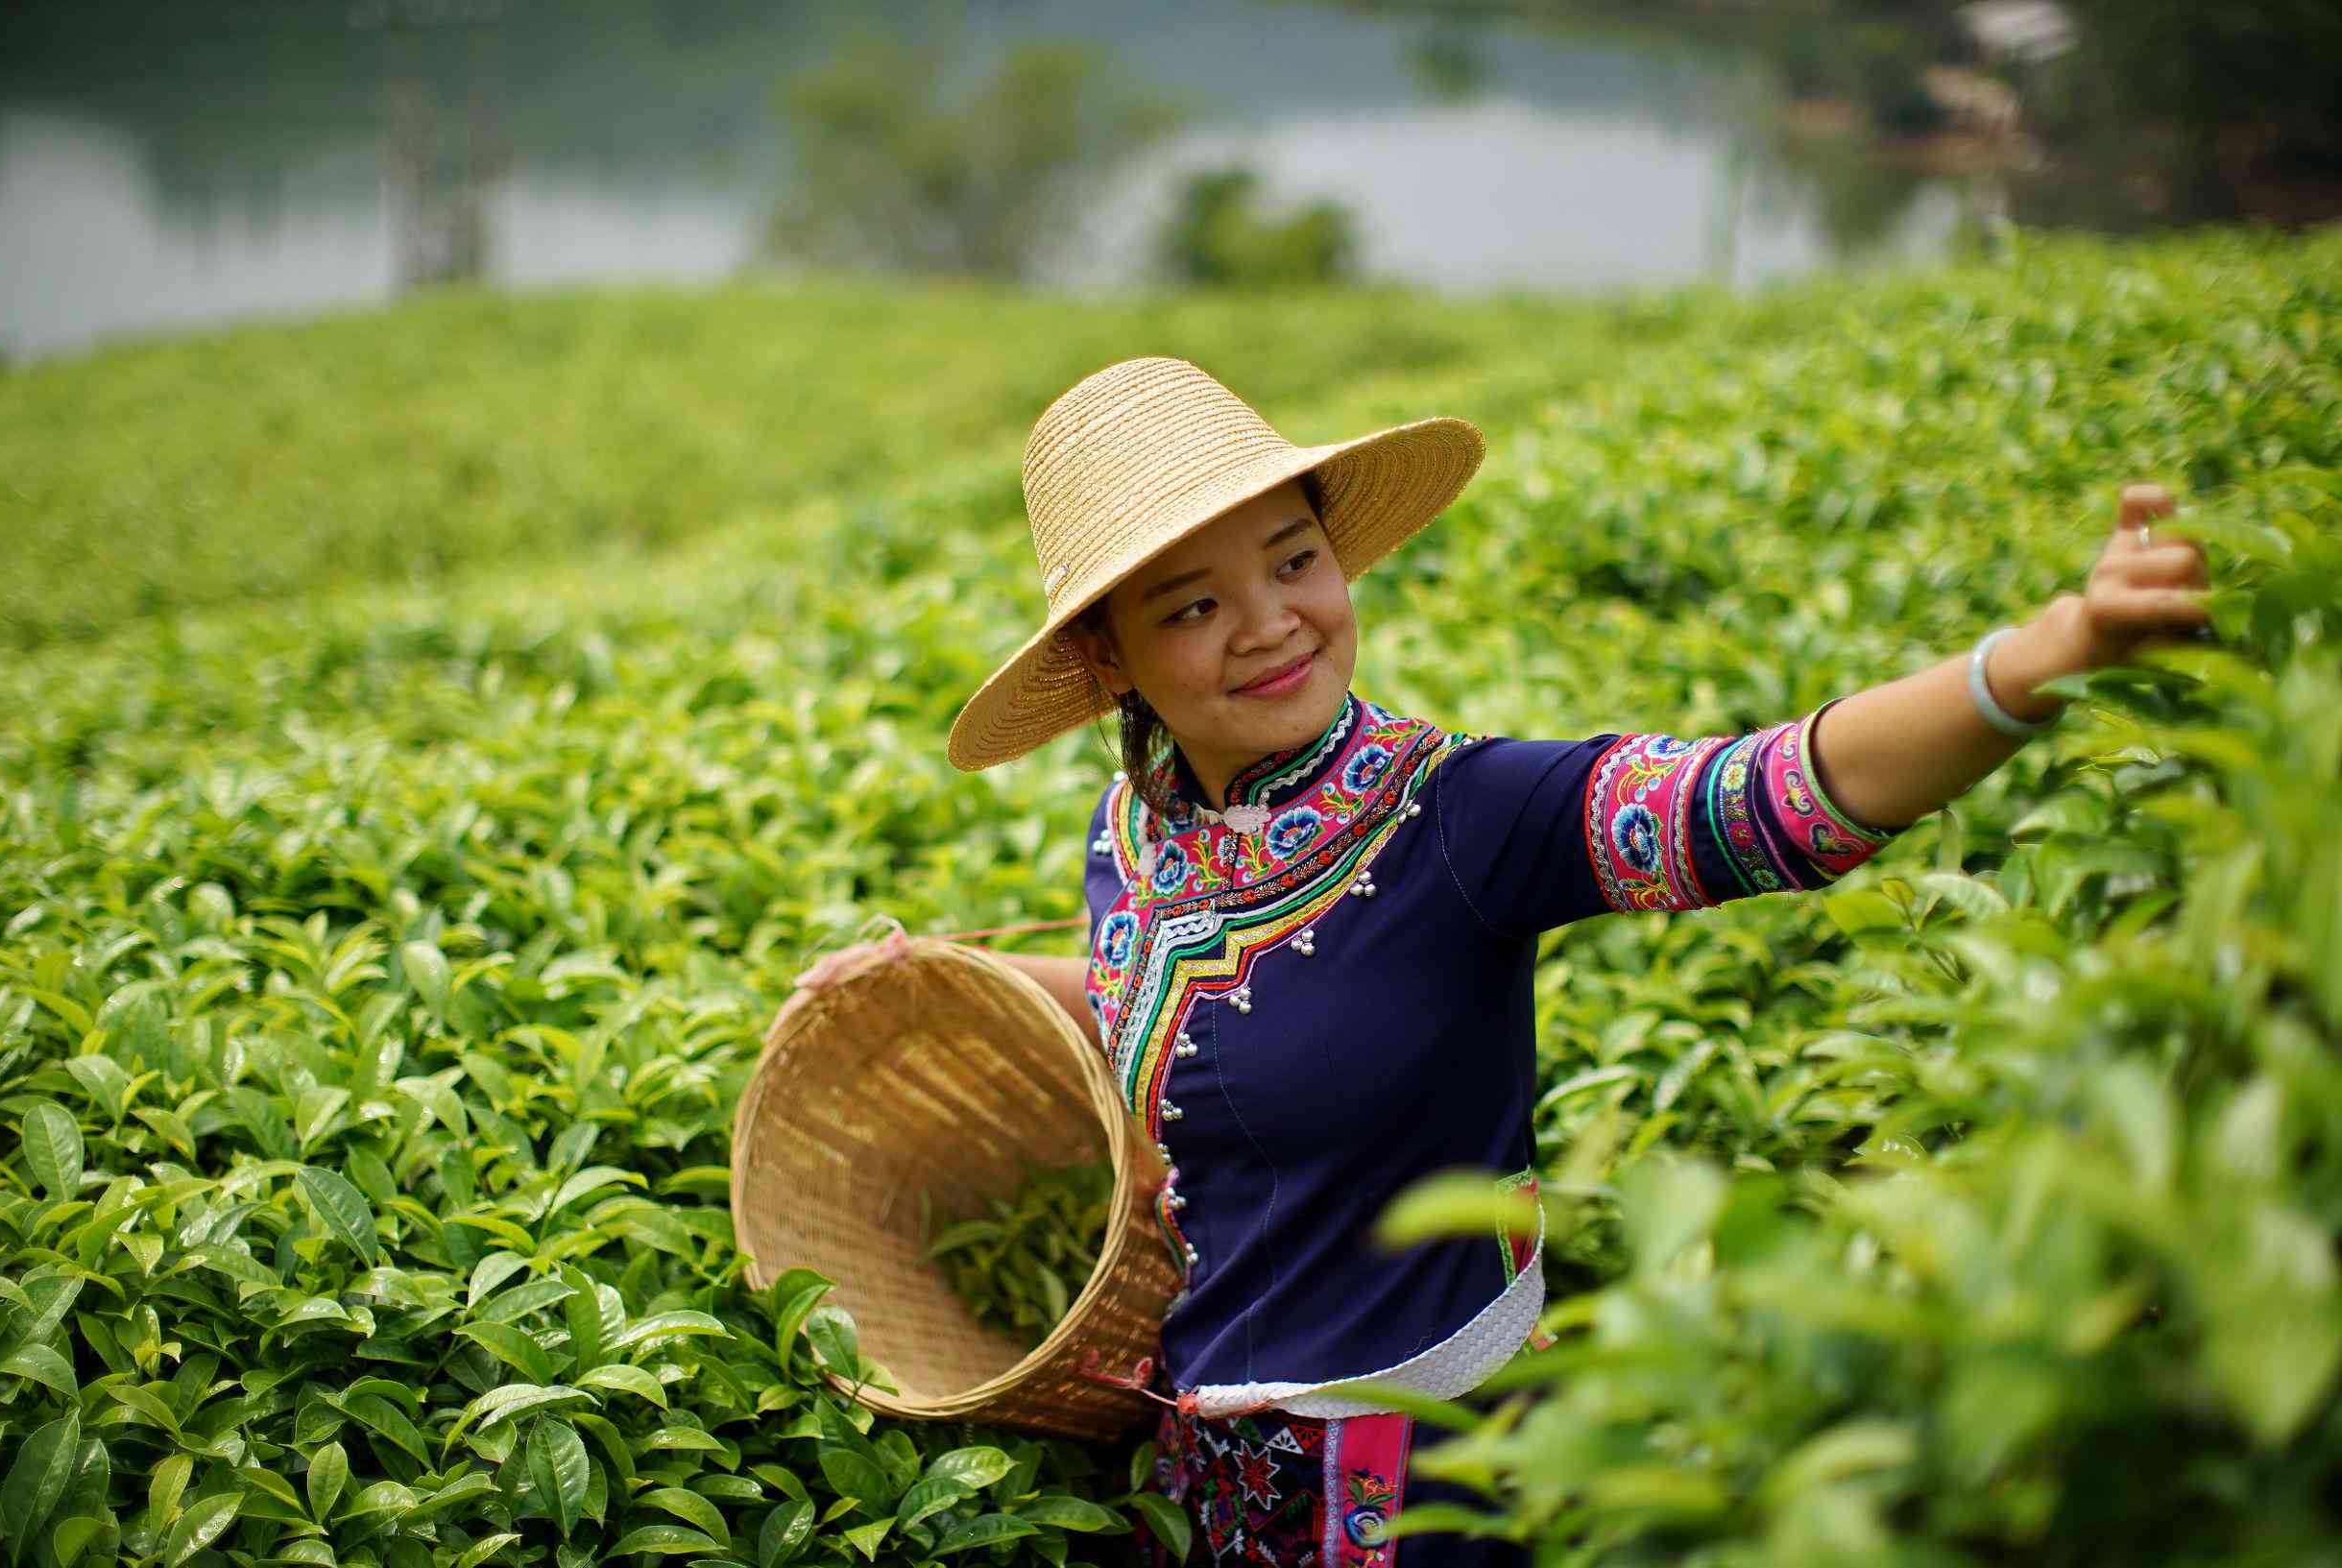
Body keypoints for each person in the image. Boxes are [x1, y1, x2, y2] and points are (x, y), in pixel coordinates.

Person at [836, 356, 2211, 1566]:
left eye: (1294, 559)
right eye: (1193, 606)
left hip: (1428, 1484)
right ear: (1113, 655)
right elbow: (1166, 1005)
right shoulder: (1136, 831)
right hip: (1198, 1481)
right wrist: (942, 981)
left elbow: (1771, 794)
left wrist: (2039, 660)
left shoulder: (1462, 818)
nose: (1270, 621)